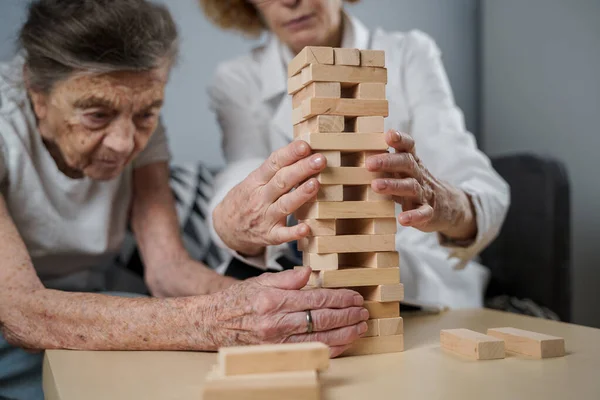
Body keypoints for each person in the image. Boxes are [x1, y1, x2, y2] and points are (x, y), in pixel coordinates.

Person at [0, 1, 368, 399]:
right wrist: (213, 319)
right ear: (37, 94)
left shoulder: (133, 110)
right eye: (96, 116)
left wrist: (276, 308)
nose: (125, 144)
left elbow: (168, 269)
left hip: (85, 299)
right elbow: (21, 313)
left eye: (146, 115)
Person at [201, 0, 510, 308]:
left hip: (423, 284)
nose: (289, 1)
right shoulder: (238, 79)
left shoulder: (408, 54)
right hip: (311, 280)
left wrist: (447, 205)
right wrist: (231, 222)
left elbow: (482, 190)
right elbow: (241, 173)